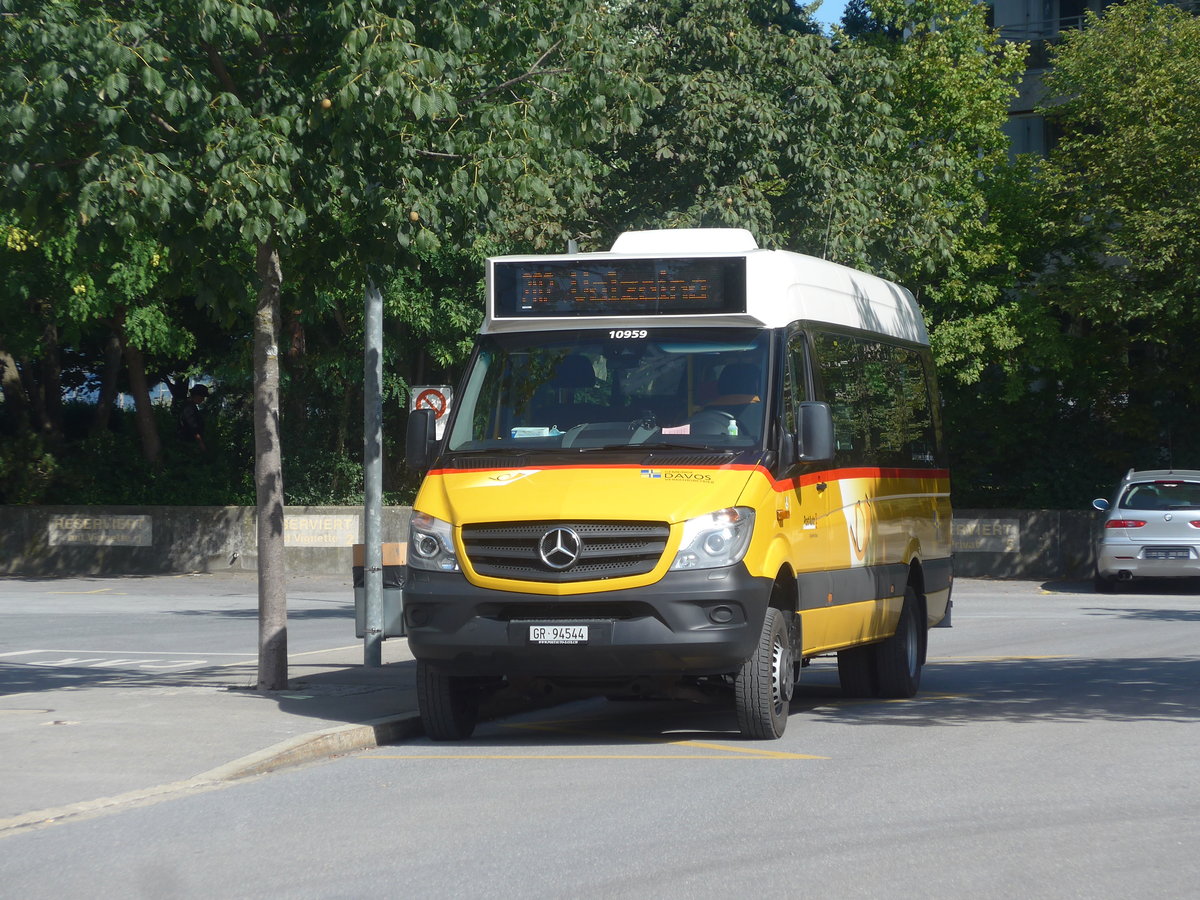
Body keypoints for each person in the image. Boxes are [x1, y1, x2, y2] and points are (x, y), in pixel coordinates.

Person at [178, 384, 209, 452]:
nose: (203, 399)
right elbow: (192, 426)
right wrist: (200, 443)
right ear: (197, 396)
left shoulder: (190, 405)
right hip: (189, 442)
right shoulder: (189, 407)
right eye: (202, 397)